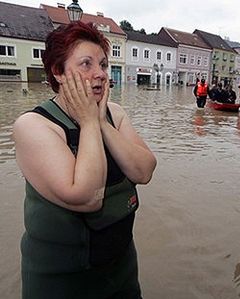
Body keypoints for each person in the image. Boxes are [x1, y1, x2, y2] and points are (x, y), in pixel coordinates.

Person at [12, 22, 157, 299]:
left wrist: (102, 122)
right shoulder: (34, 125)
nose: (100, 74)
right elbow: (87, 197)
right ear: (59, 72)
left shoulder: (114, 113)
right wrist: (90, 122)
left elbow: (144, 170)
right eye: (86, 64)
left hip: (121, 269)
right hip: (61, 280)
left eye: (103, 64)